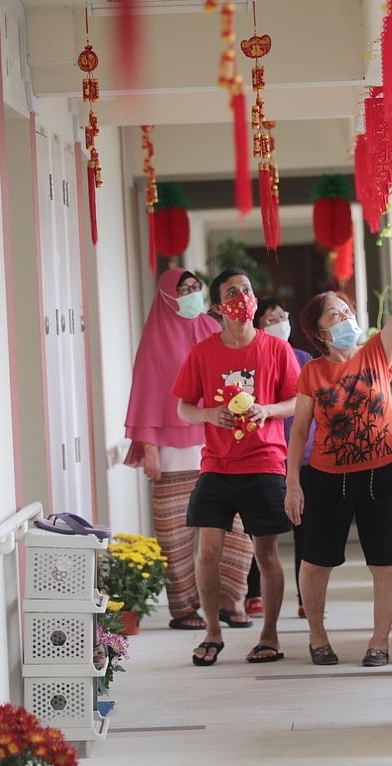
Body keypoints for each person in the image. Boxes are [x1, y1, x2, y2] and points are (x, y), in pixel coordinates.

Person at [285, 226, 392, 667]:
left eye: (347, 309)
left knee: (386, 562)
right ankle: (317, 635)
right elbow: (299, 431)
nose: (346, 316)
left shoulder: (377, 353)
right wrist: (293, 483)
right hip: (327, 478)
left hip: (381, 474)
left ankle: (379, 642)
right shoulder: (312, 374)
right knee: (316, 561)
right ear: (319, 331)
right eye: (335, 313)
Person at [172, 269, 302, 665]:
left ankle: (269, 635)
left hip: (265, 461)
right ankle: (213, 632)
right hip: (217, 465)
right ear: (217, 307)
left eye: (247, 289)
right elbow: (183, 407)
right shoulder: (203, 353)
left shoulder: (276, 350)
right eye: (233, 292)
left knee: (266, 553)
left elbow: (297, 401)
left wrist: (267, 410)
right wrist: (210, 414)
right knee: (207, 551)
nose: (243, 296)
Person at [123, 268, 257, 631]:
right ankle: (184, 609)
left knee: (237, 527)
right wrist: (148, 448)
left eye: (195, 288)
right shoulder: (154, 341)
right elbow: (146, 395)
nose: (191, 294)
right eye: (183, 289)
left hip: (220, 447)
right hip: (170, 454)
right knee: (174, 536)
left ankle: (232, 600)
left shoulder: (216, 331)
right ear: (167, 296)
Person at [244, 299, 315, 619]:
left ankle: (306, 596)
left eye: (282, 317)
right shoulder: (254, 360)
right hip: (266, 456)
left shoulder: (305, 360)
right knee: (259, 529)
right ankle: (253, 591)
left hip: (306, 457)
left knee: (306, 529)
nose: (278, 322)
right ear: (260, 325)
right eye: (270, 318)